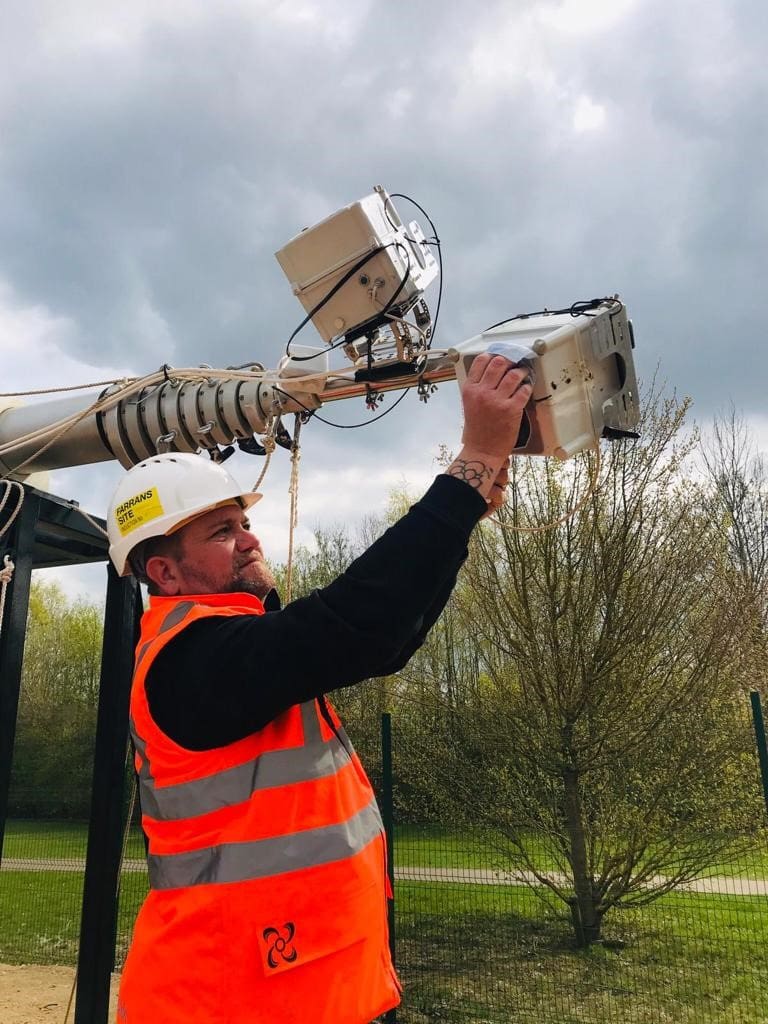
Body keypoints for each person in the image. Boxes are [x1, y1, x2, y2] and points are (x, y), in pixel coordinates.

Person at [108, 353, 531, 1024]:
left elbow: (384, 641)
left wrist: (464, 515)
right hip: (224, 1002)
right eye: (222, 531)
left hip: (280, 993)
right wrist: (471, 468)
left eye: (244, 523)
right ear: (165, 572)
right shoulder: (188, 661)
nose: (249, 541)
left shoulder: (226, 648)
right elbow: (352, 625)